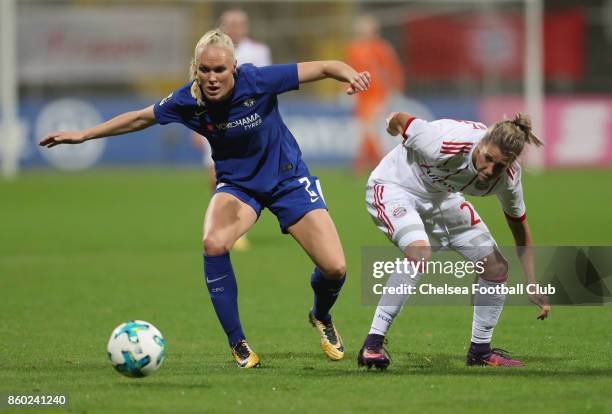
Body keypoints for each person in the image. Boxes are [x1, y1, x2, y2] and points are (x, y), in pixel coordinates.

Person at [40, 29, 371, 369]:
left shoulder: (258, 80)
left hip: (287, 179)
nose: (212, 78)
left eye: (220, 70)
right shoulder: (187, 101)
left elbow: (326, 66)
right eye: (204, 70)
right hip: (239, 187)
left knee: (335, 268)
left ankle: (320, 315)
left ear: (235, 68)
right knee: (213, 243)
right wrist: (85, 134)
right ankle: (238, 342)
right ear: (195, 68)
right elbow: (141, 117)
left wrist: (352, 75)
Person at [357, 112, 550, 370]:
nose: (490, 170)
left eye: (500, 166)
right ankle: (372, 345)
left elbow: (519, 228)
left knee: (495, 268)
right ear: (481, 143)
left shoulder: (509, 180)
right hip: (395, 187)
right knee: (419, 252)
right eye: (488, 158)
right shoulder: (443, 142)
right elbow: (399, 118)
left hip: (442, 198)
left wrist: (532, 281)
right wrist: (391, 127)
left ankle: (480, 351)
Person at [191, 10, 273, 251]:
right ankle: (225, 224)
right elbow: (197, 87)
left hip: (247, 123)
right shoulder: (210, 50)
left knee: (247, 176)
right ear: (223, 26)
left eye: (240, 24)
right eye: (231, 24)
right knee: (214, 175)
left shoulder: (259, 51)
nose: (236, 28)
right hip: (214, 122)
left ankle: (238, 224)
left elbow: (267, 87)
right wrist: (194, 126)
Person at [345, 15, 404, 173]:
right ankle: (374, 163)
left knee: (369, 128)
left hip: (377, 94)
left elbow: (392, 70)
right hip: (361, 96)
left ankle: (366, 163)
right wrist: (346, 90)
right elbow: (348, 70)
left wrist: (393, 89)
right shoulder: (353, 48)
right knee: (365, 130)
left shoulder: (381, 48)